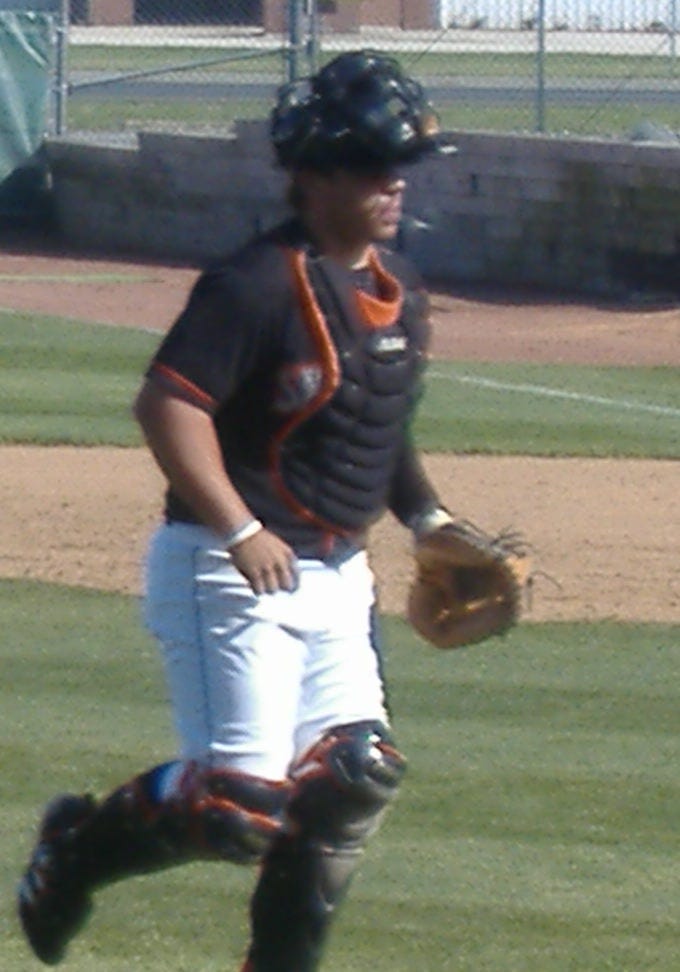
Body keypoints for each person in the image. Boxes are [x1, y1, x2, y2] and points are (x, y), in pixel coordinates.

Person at [17, 50, 456, 971]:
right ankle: (74, 851)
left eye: (401, 169)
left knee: (353, 779)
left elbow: (379, 430)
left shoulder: (401, 291)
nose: (394, 187)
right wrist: (239, 527)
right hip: (227, 571)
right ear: (316, 175)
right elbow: (169, 404)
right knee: (238, 809)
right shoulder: (255, 284)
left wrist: (429, 522)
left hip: (337, 579)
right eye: (375, 167)